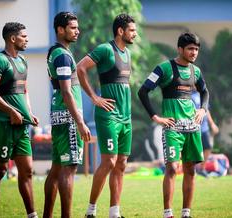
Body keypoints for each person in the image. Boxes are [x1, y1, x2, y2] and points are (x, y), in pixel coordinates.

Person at [138, 32, 209, 218]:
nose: (194, 53)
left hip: (192, 128)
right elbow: (143, 91)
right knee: (171, 168)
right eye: (190, 49)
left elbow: (205, 92)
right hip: (172, 128)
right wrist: (155, 117)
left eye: (196, 49)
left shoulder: (196, 71)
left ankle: (186, 213)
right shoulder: (164, 68)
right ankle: (168, 213)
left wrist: (202, 110)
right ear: (180, 49)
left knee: (191, 170)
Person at [77, 13, 137, 218]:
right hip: (108, 116)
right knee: (109, 162)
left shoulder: (127, 53)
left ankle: (114, 213)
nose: (135, 34)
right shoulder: (105, 49)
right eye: (132, 30)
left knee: (121, 164)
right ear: (120, 31)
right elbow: (80, 68)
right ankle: (91, 210)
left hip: (125, 117)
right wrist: (94, 97)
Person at [0, 22, 39, 218]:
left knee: (28, 171)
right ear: (12, 39)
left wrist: (29, 112)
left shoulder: (23, 61)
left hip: (22, 126)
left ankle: (32, 215)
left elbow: (24, 90)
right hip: (3, 124)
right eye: (24, 36)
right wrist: (10, 111)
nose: (27, 39)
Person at [43, 12, 91, 218]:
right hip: (69, 118)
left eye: (77, 27)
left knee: (56, 169)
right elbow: (66, 90)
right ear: (60, 30)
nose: (77, 31)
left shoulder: (55, 52)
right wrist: (80, 122)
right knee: (68, 169)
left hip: (59, 115)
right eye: (73, 27)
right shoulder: (62, 55)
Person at [191, 90, 219, 177]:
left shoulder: (202, 94)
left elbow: (206, 110)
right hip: (193, 128)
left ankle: (202, 169)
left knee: (208, 147)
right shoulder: (188, 94)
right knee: (194, 150)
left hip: (204, 128)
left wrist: (212, 124)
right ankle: (192, 170)